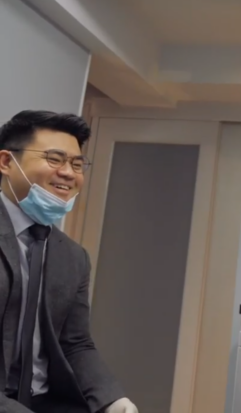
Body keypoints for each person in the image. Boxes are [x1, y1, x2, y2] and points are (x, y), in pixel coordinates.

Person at [0, 111, 138, 413]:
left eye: (77, 164)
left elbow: (75, 343)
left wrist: (112, 399)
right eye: (54, 159)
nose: (69, 173)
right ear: (7, 162)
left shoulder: (72, 256)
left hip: (47, 401)